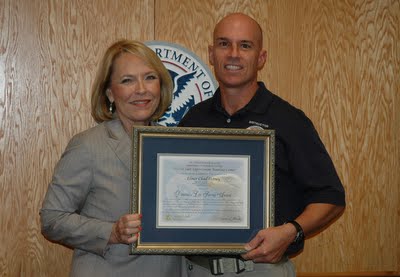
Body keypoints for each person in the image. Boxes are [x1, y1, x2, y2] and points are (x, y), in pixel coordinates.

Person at [179, 13, 346, 276]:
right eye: (224, 44)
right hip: (194, 269)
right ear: (211, 54)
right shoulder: (193, 120)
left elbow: (331, 198)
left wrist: (291, 232)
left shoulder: (289, 120)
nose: (233, 54)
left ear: (261, 58)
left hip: (260, 269)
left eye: (245, 45)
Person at [40, 39, 185, 276]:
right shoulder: (88, 146)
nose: (141, 89)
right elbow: (51, 219)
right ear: (110, 93)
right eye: (127, 80)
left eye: (150, 77)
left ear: (162, 85)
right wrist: (111, 232)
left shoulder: (178, 145)